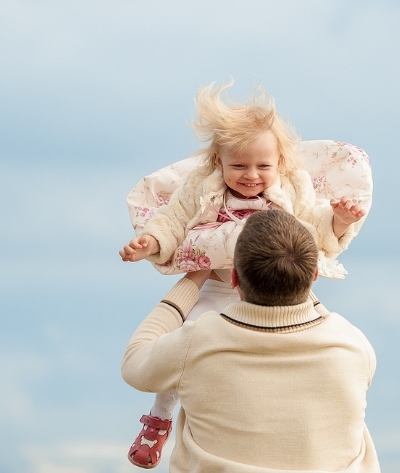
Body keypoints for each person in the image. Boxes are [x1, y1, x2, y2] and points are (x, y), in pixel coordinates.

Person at [118, 82, 367, 468]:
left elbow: (313, 228)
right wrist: (151, 242)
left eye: (263, 166)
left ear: (280, 163)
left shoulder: (291, 190)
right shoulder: (201, 189)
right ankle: (160, 418)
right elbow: (173, 222)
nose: (251, 176)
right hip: (217, 286)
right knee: (182, 346)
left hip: (275, 289)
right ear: (217, 161)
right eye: (239, 165)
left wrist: (339, 220)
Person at [121, 210, 380, 472]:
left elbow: (134, 362)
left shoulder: (198, 342)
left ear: (233, 278)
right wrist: (296, 276)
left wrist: (194, 278)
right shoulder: (353, 346)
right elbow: (318, 316)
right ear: (314, 275)